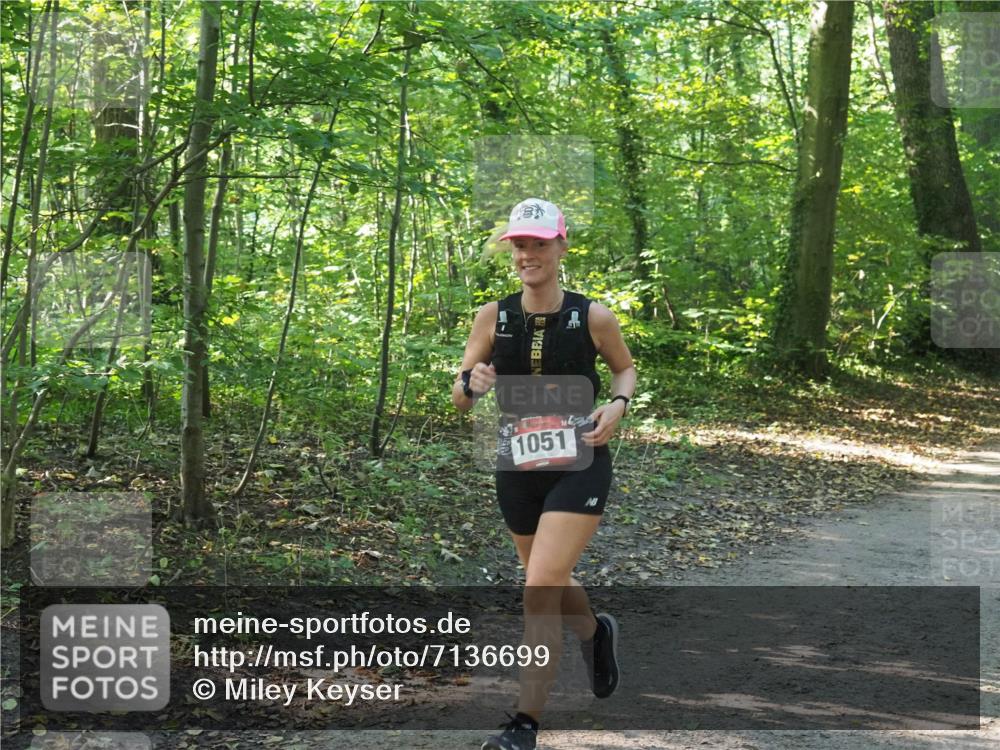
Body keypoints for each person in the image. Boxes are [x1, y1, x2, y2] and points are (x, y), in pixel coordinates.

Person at [452, 198, 636, 750]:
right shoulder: (494, 315)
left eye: (539, 243)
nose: (528, 254)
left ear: (561, 246)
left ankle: (522, 725)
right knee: (547, 580)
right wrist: (472, 385)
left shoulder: (593, 315)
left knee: (537, 589)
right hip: (518, 464)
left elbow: (623, 369)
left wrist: (618, 406)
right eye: (520, 245)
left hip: (579, 463)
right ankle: (593, 631)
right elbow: (459, 395)